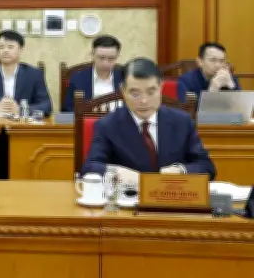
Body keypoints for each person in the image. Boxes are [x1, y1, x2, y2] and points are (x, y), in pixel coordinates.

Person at [81, 57, 216, 186]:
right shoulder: (107, 125)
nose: (144, 101)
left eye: (151, 92)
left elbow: (206, 166)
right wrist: (117, 172)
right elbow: (90, 167)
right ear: (123, 91)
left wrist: (180, 170)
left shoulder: (182, 122)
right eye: (135, 94)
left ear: (161, 87)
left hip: (171, 195)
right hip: (130, 197)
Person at [0, 29, 52, 116]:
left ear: (20, 50)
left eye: (10, 47)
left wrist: (21, 110)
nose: (5, 50)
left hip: (22, 123)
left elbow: (46, 105)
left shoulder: (34, 74)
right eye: (1, 47)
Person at [62, 35, 123, 112]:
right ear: (92, 55)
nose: (105, 63)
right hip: (87, 119)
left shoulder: (125, 77)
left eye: (111, 58)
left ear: (117, 57)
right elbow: (67, 110)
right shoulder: (77, 78)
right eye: (101, 58)